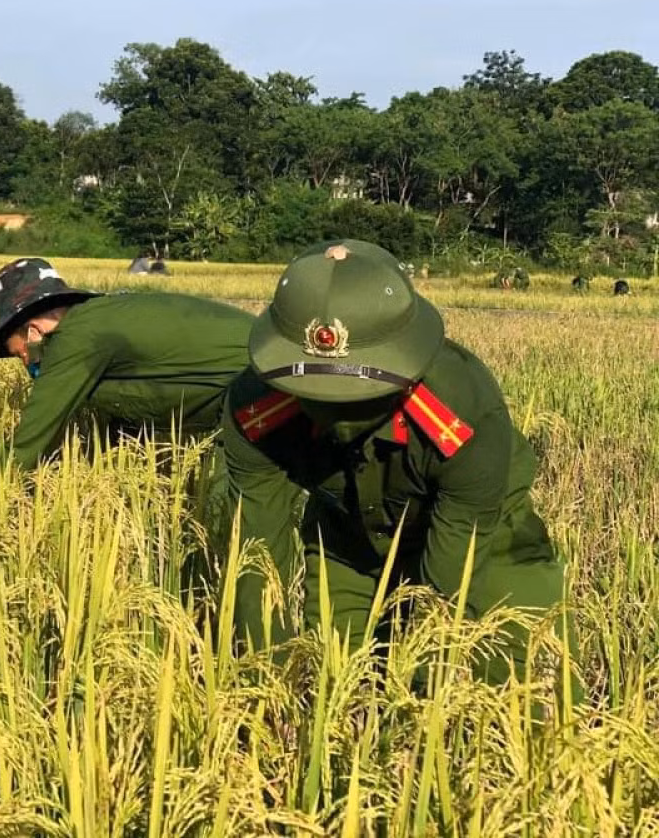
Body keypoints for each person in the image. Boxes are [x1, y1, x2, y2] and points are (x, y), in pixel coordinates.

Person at [219, 240, 574, 688]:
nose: (337, 415)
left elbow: (450, 578)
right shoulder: (254, 411)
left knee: (529, 693)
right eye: (316, 396)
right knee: (335, 682)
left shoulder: (462, 410)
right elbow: (257, 549)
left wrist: (422, 692)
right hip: (346, 532)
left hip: (484, 534)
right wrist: (264, 679)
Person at [0, 257, 254, 470]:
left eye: (19, 352)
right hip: (262, 378)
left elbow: (29, 442)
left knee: (235, 518)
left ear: (32, 332)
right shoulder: (98, 320)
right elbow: (131, 409)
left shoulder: (77, 337)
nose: (25, 362)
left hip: (260, 384)